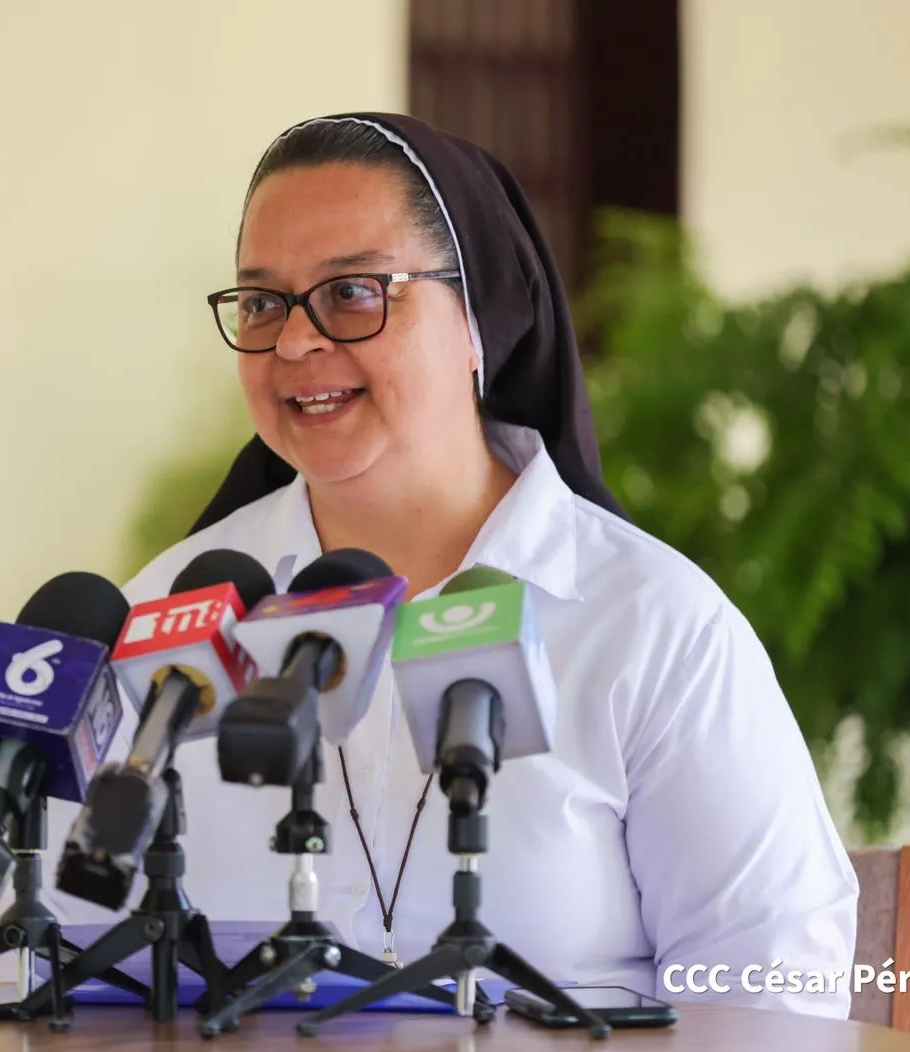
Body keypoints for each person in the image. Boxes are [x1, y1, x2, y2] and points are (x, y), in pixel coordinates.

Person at [43, 112, 859, 1016]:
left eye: (352, 291)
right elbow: (52, 956)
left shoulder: (651, 625)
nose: (294, 343)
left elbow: (773, 988)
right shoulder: (168, 610)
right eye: (263, 301)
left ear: (480, 321)